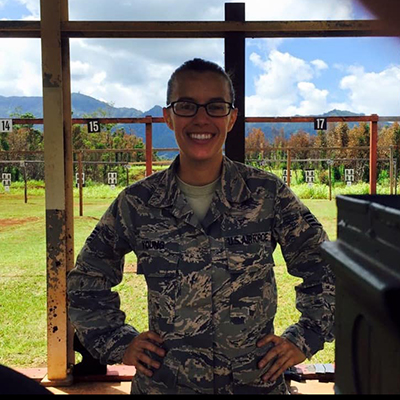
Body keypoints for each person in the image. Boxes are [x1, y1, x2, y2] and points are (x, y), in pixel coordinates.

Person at [67, 58, 335, 395]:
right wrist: (119, 341)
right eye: (187, 106)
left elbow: (326, 267)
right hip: (166, 386)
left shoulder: (267, 195)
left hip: (253, 385)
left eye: (215, 106)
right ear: (168, 116)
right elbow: (85, 283)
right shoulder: (137, 203)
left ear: (232, 117)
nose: (201, 118)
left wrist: (305, 336)